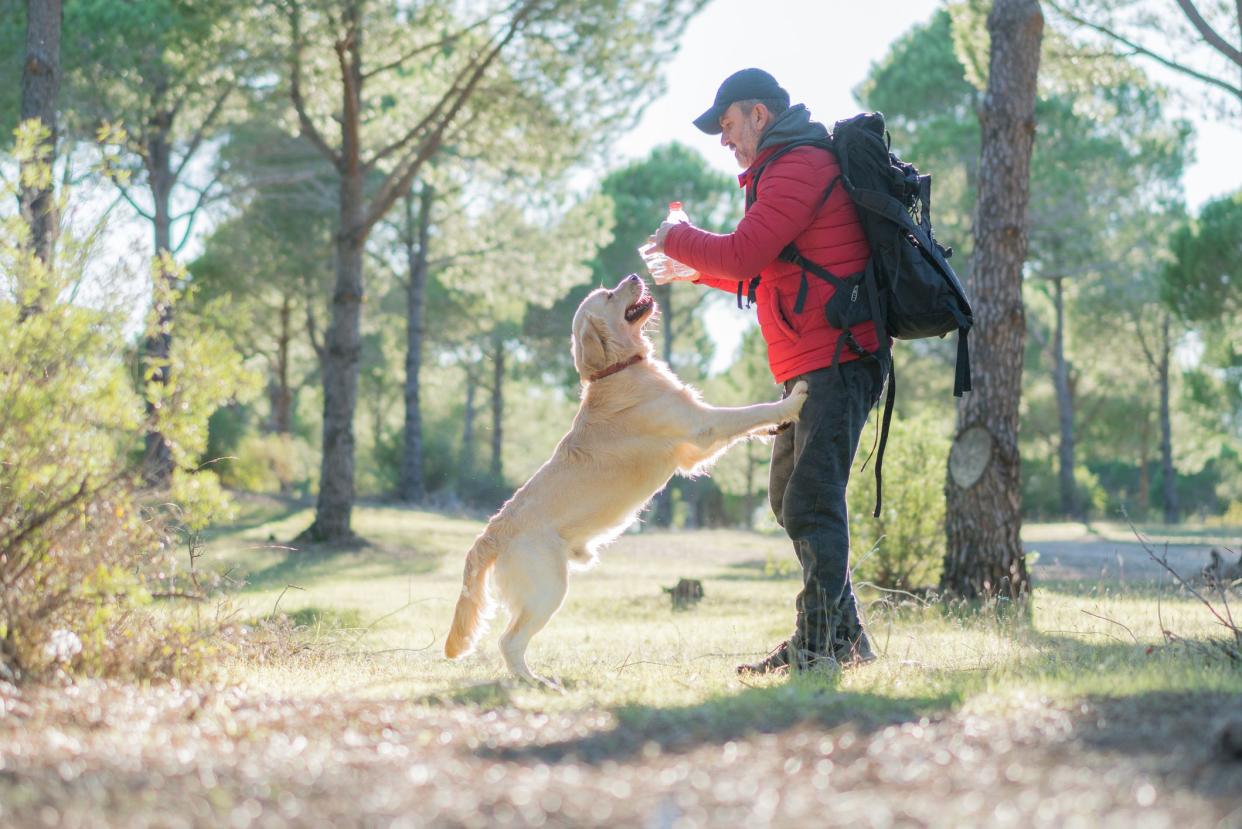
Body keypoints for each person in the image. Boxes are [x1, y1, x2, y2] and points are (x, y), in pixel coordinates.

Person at [650, 68, 889, 674]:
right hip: (813, 363)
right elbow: (760, 269)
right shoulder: (779, 170)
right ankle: (846, 639)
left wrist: (678, 238)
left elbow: (744, 252)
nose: (724, 138)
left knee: (810, 497)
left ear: (759, 113)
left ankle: (816, 648)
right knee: (789, 496)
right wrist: (695, 270)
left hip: (839, 358)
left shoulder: (799, 164)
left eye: (727, 124)